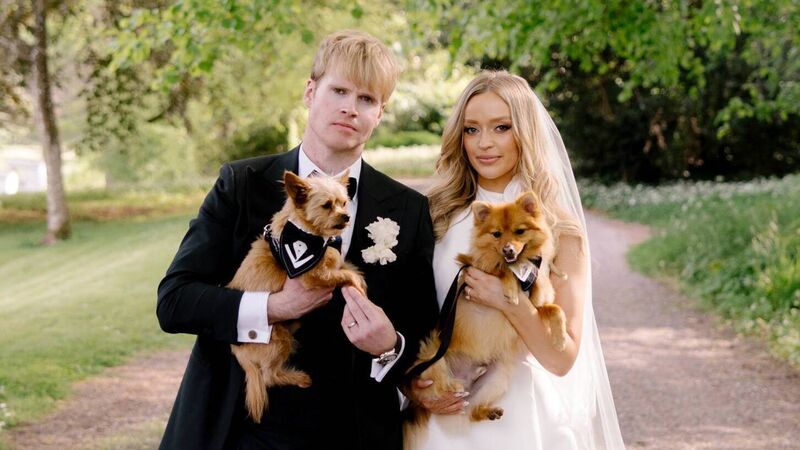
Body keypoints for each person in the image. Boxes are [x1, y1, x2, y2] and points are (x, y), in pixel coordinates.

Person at [156, 30, 439, 450]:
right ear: (310, 92)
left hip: (353, 430)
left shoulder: (408, 208)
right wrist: (274, 307)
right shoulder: (241, 183)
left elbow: (424, 327)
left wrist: (390, 347)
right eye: (339, 91)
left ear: (380, 113)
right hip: (243, 425)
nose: (350, 107)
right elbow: (174, 301)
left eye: (366, 99)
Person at [406, 71, 625, 449]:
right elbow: (406, 322)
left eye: (501, 127)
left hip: (519, 416)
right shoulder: (434, 217)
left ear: (525, 132)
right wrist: (410, 384)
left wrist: (506, 300)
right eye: (471, 129)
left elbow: (562, 360)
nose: (484, 143)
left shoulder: (560, 230)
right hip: (442, 416)